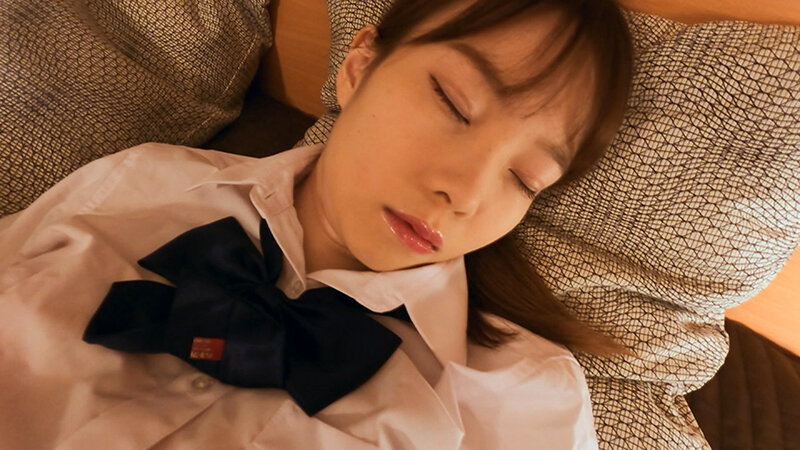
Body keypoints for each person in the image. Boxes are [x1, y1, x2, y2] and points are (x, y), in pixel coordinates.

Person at [0, 0, 633, 448]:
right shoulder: (138, 182)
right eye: (454, 103)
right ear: (359, 67)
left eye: (524, 178)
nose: (465, 193)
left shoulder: (526, 405)